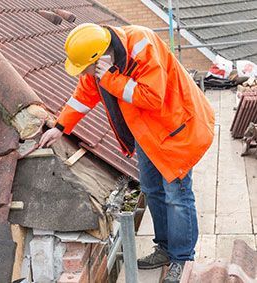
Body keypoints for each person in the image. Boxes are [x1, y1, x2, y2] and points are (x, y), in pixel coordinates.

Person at [39, 23, 215, 282]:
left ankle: (182, 258)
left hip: (175, 129)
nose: (86, 75)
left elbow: (153, 97)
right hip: (147, 134)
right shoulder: (98, 58)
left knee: (176, 195)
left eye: (88, 69)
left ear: (101, 58)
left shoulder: (142, 46)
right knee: (153, 190)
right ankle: (165, 248)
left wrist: (111, 78)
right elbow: (84, 95)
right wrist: (61, 127)